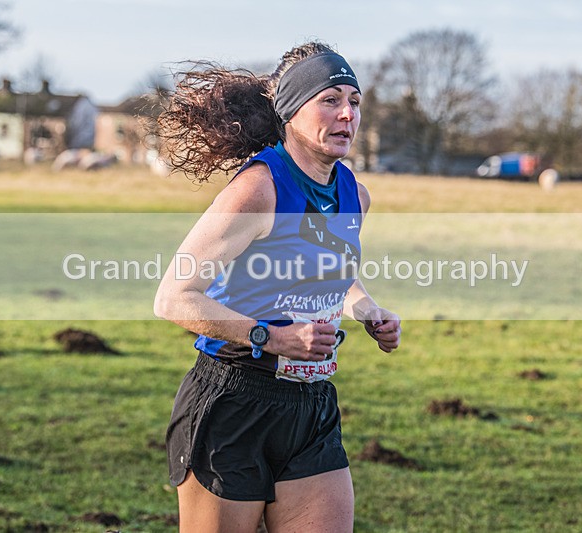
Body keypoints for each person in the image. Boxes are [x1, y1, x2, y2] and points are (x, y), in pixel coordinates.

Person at [152, 41, 401, 533]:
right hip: (233, 401)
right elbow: (173, 297)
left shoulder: (354, 192)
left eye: (354, 101)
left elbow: (331, 268)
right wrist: (272, 336)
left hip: (310, 406)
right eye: (329, 99)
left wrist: (367, 309)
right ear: (290, 108)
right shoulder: (259, 188)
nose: (346, 114)